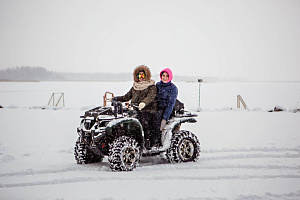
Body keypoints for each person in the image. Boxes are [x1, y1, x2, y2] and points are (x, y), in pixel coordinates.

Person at [112, 65, 157, 150]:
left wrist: (143, 103)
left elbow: (150, 97)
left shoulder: (151, 86)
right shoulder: (135, 86)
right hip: (136, 109)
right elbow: (127, 96)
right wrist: (117, 99)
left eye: (142, 75)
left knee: (144, 121)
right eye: (139, 75)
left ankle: (147, 140)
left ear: (146, 75)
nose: (141, 77)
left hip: (149, 110)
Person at [156, 68, 178, 135]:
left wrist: (165, 118)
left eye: (167, 76)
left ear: (170, 77)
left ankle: (157, 138)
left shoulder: (173, 88)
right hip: (157, 108)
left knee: (156, 120)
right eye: (163, 75)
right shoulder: (158, 85)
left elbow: (170, 104)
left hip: (167, 110)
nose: (165, 78)